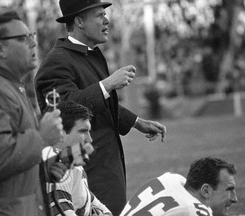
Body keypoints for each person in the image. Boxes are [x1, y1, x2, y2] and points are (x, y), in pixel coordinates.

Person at [35, 0, 167, 215]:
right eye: (98, 15)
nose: (106, 19)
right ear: (79, 21)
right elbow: (61, 112)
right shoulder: (56, 62)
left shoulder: (89, 54)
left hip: (105, 166)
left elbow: (99, 103)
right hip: (87, 169)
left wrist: (135, 122)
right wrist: (107, 84)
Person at [0, 8, 65, 216]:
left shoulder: (10, 86)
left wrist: (41, 169)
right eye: (22, 38)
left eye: (31, 36)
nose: (33, 43)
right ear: (0, 48)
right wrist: (41, 138)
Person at [42, 101, 112, 216]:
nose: (89, 139)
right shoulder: (59, 166)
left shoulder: (70, 161)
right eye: (83, 131)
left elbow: (86, 197)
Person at [120, 157, 238, 216]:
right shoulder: (195, 211)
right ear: (206, 190)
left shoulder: (170, 179)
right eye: (229, 190)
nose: (234, 198)